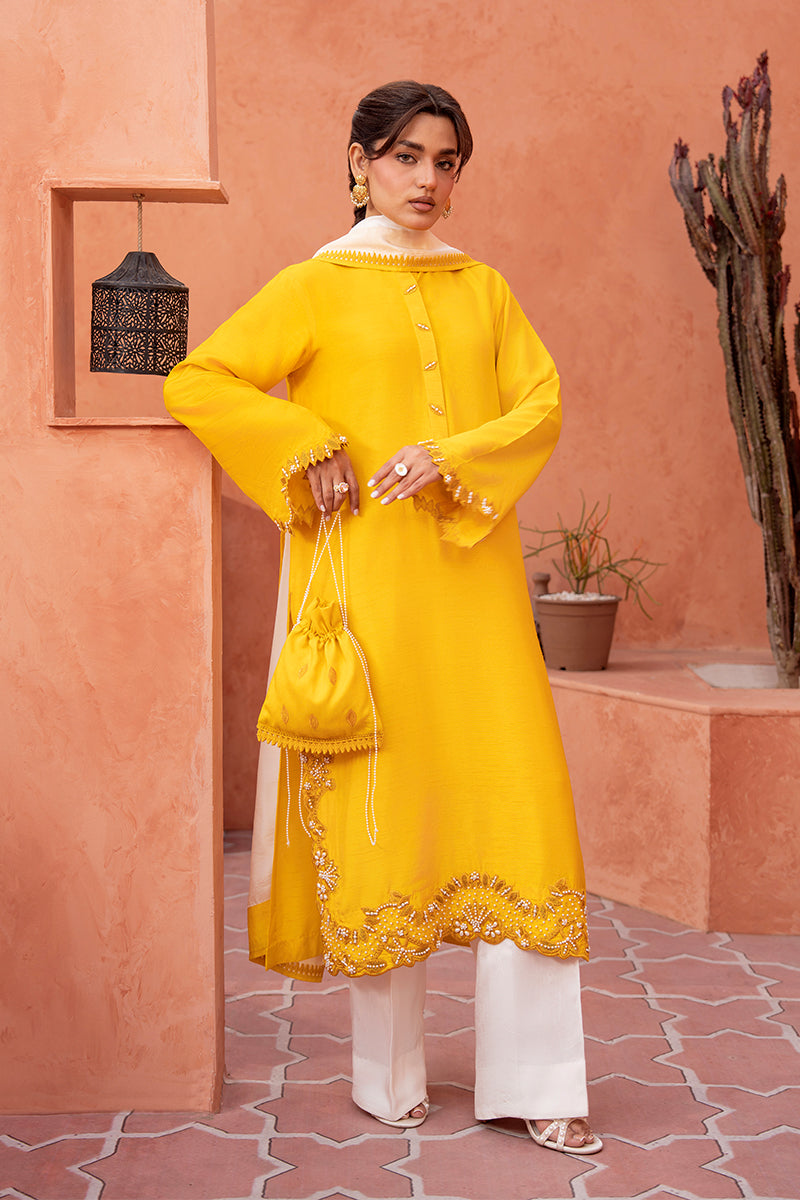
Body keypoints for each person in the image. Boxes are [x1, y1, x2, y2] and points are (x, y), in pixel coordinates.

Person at [164, 81, 601, 1155]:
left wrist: (451, 456)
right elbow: (201, 380)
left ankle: (538, 1080)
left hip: (475, 589)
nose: (427, 180)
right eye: (406, 157)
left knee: (517, 808)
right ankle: (386, 1074)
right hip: (363, 593)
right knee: (383, 811)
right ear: (360, 162)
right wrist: (305, 441)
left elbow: (538, 403)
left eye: (446, 161)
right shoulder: (314, 286)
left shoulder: (482, 288)